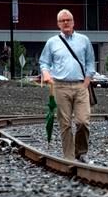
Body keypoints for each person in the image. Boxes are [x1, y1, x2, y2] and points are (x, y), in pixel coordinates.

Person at [39, 9, 95, 162]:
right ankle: (69, 158)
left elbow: (90, 61)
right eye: (62, 20)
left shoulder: (84, 40)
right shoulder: (52, 42)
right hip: (60, 86)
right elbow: (44, 62)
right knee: (65, 124)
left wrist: (87, 80)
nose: (65, 23)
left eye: (68, 20)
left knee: (83, 121)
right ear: (58, 24)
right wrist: (46, 73)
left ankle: (81, 152)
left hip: (80, 86)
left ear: (73, 22)